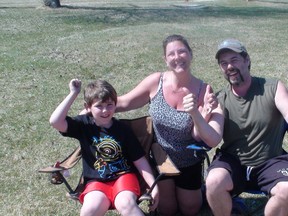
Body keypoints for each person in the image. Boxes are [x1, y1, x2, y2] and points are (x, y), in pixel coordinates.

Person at [116, 34, 224, 216]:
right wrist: (94, 109)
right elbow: (124, 102)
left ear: (190, 54)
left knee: (190, 209)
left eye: (182, 51)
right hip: (161, 158)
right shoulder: (155, 82)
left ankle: (200, 191)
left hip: (190, 159)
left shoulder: (203, 90)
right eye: (171, 54)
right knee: (167, 210)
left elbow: (200, 136)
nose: (177, 57)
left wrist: (199, 113)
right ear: (165, 60)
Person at [49, 79, 159, 216]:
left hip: (124, 177)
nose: (105, 110)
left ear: (115, 104)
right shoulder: (83, 125)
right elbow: (55, 121)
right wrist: (73, 93)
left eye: (109, 105)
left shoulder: (123, 130)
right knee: (89, 210)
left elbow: (139, 160)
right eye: (99, 106)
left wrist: (153, 186)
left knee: (126, 204)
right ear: (87, 107)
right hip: (96, 181)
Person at [205, 38, 288, 216]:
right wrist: (203, 114)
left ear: (247, 60)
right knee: (213, 182)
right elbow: (214, 136)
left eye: (234, 60)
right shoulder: (220, 99)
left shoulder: (272, 87)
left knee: (286, 191)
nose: (229, 67)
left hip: (270, 160)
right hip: (233, 161)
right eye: (224, 63)